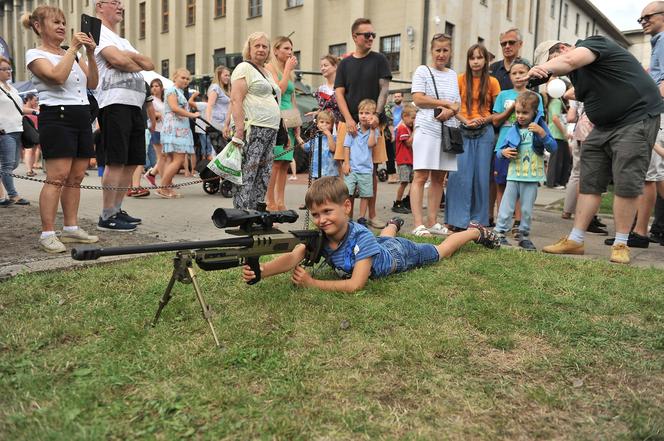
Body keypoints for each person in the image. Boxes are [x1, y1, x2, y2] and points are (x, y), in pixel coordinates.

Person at [529, 37, 664, 264]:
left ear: (561, 49)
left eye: (553, 61)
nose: (554, 71)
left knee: (626, 179)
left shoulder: (593, 44)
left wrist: (543, 68)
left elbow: (571, 60)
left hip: (636, 117)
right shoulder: (577, 78)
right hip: (603, 126)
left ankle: (621, 243)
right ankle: (576, 239)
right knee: (589, 179)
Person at [240, 176, 499, 293]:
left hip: (399, 255)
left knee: (440, 251)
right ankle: (392, 224)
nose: (321, 220)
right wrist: (262, 271)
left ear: (347, 207)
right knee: (383, 238)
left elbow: (356, 285)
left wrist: (313, 283)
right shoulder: (319, 236)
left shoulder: (361, 237)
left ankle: (473, 232)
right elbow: (293, 257)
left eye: (327, 211)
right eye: (316, 214)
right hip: (379, 245)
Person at [22, 5, 100, 252]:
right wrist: (74, 49)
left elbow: (93, 83)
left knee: (76, 177)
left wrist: (89, 53)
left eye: (64, 22)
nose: (62, 27)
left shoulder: (72, 53)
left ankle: (71, 228)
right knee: (56, 178)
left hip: (81, 115)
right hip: (57, 116)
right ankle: (47, 233)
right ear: (38, 26)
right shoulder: (34, 54)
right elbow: (56, 77)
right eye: (55, 22)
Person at [94, 0, 155, 231]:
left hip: (135, 103)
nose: (120, 6)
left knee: (131, 161)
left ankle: (117, 209)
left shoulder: (122, 41)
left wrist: (125, 55)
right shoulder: (96, 31)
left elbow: (149, 64)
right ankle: (106, 214)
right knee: (116, 160)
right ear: (100, 6)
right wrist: (124, 59)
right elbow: (116, 60)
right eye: (115, 2)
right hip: (114, 103)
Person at [334, 18, 392, 228]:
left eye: (372, 35)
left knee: (372, 171)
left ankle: (372, 214)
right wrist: (349, 119)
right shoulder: (345, 63)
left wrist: (376, 115)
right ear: (354, 37)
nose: (370, 38)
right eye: (366, 35)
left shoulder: (379, 60)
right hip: (348, 124)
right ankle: (346, 215)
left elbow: (384, 89)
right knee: (346, 170)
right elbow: (339, 93)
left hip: (374, 124)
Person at [410, 34, 461, 236]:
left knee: (439, 178)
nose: (441, 54)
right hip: (427, 129)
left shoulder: (452, 75)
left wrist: (452, 110)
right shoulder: (422, 71)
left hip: (447, 131)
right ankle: (417, 224)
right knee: (421, 176)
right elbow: (418, 98)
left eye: (445, 50)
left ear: (450, 52)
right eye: (437, 50)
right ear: (431, 51)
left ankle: (432, 222)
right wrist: (445, 104)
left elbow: (456, 103)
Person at [493, 91, 557, 250]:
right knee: (506, 207)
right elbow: (501, 152)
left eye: (525, 112)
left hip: (532, 177)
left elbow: (553, 147)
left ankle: (524, 236)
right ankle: (499, 233)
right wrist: (504, 152)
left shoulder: (539, 128)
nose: (520, 116)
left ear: (535, 112)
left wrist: (543, 134)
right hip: (513, 176)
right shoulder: (512, 130)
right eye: (518, 112)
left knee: (527, 209)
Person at [446, 44, 500, 230]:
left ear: (485, 60)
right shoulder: (460, 79)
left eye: (479, 58)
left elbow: (498, 111)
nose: (475, 62)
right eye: (472, 58)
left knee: (480, 177)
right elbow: (453, 107)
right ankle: (456, 220)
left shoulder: (492, 82)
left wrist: (484, 120)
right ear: (468, 60)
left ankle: (477, 221)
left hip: (485, 132)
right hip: (462, 129)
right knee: (458, 175)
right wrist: (464, 120)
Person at [229, 32, 281, 210]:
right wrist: (239, 130)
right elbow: (236, 99)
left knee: (264, 173)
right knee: (248, 172)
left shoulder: (267, 72)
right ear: (249, 49)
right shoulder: (244, 68)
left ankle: (256, 211)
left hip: (271, 128)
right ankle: (242, 211)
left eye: (264, 46)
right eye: (257, 46)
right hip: (254, 128)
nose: (261, 49)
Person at [491, 58, 539, 230]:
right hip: (504, 147)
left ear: (529, 74)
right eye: (514, 73)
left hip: (526, 149)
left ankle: (518, 222)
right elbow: (495, 121)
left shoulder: (535, 97)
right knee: (502, 185)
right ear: (509, 75)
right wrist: (511, 108)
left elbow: (539, 121)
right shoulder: (503, 95)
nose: (518, 76)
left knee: (521, 186)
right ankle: (501, 221)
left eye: (522, 72)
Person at [631, 1, 664, 246]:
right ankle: (640, 230)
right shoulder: (657, 43)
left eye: (647, 17)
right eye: (640, 19)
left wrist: (648, 102)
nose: (643, 22)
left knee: (648, 174)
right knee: (653, 174)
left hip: (657, 112)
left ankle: (640, 233)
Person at [266, 36, 304, 211]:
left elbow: (292, 95)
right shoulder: (270, 68)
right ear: (276, 50)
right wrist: (287, 68)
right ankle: (270, 201)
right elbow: (279, 91)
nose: (290, 52)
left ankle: (281, 201)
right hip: (277, 117)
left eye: (291, 49)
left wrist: (298, 120)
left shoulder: (290, 72)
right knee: (275, 162)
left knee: (285, 162)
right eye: (286, 49)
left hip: (290, 117)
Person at [156, 68, 199, 198]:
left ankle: (167, 187)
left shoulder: (179, 91)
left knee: (171, 159)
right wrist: (192, 114)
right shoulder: (172, 90)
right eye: (183, 78)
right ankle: (163, 188)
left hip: (179, 128)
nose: (185, 80)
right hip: (175, 128)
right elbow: (174, 108)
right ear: (175, 78)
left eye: (187, 79)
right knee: (178, 160)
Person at [342, 99, 380, 224]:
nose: (363, 115)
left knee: (365, 195)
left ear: (373, 116)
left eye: (367, 113)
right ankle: (347, 217)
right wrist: (346, 163)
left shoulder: (374, 131)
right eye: (361, 112)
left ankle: (361, 218)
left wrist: (373, 129)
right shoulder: (353, 130)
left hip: (366, 169)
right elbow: (346, 147)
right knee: (349, 193)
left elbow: (371, 144)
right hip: (352, 168)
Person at [0, 56, 31, 207]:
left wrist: (33, 110)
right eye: (4, 69)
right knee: (7, 164)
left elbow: (17, 108)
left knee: (14, 164)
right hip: (4, 130)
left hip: (17, 129)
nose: (8, 72)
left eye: (9, 69)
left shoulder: (12, 88)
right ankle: (13, 195)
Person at [544, 82, 571, 189]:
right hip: (556, 134)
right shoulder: (556, 101)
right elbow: (555, 118)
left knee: (564, 159)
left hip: (558, 135)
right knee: (556, 160)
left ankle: (560, 181)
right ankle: (553, 182)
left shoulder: (556, 102)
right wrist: (564, 132)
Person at [391, 104, 416, 214]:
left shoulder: (408, 128)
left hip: (410, 160)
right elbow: (408, 143)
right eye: (412, 118)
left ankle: (407, 200)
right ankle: (397, 202)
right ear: (404, 116)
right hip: (403, 161)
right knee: (404, 182)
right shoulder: (402, 128)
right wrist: (415, 130)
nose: (414, 121)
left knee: (413, 181)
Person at [302, 109, 337, 179]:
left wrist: (329, 135)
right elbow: (305, 147)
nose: (324, 124)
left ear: (332, 125)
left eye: (327, 123)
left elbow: (333, 149)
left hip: (330, 172)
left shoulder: (334, 138)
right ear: (317, 124)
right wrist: (297, 136)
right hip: (316, 172)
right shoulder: (316, 138)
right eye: (322, 122)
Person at [143, 78, 164, 186]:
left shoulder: (161, 101)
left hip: (164, 130)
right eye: (152, 86)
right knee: (162, 157)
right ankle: (163, 180)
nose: (154, 88)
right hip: (156, 129)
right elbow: (149, 112)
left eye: (157, 86)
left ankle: (152, 174)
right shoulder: (152, 100)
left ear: (161, 88)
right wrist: (157, 115)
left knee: (164, 157)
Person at [205, 65, 231, 147]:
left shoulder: (225, 89)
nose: (228, 77)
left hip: (224, 124)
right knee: (220, 152)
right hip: (217, 124)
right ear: (219, 76)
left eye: (229, 75)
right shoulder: (215, 87)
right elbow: (209, 106)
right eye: (225, 75)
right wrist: (209, 123)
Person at [314, 54, 342, 123]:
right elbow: (321, 109)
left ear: (335, 66)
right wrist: (317, 113)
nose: (322, 68)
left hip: (340, 126)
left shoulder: (343, 87)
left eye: (325, 65)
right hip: (324, 127)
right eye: (321, 66)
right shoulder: (320, 89)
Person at [22, 93, 41, 177]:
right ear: (29, 100)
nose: (36, 102)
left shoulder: (37, 108)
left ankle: (31, 167)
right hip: (27, 130)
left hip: (36, 131)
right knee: (29, 149)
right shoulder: (23, 108)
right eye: (35, 100)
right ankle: (29, 170)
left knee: (34, 150)